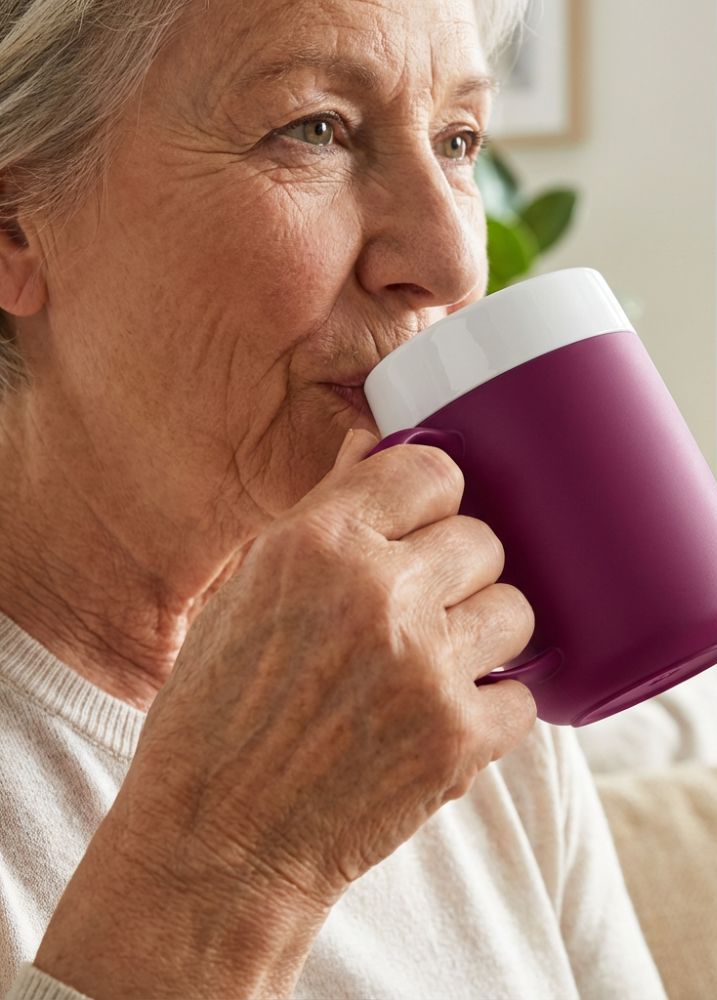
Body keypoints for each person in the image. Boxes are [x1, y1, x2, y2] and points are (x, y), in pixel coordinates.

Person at [0, 0, 668, 997]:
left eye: (457, 140)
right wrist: (231, 859)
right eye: (313, 128)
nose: (448, 261)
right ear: (15, 229)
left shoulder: (458, 667)